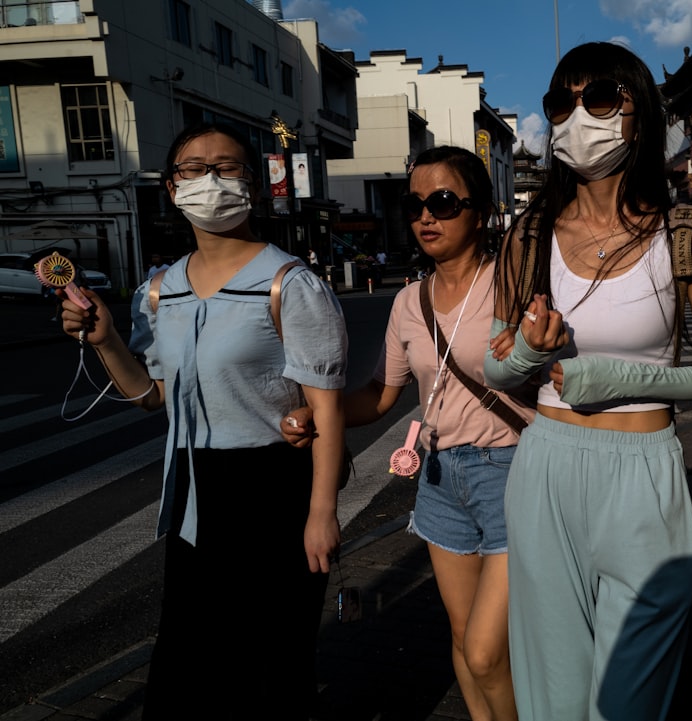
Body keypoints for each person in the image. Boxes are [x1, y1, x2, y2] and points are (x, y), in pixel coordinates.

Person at [483, 42, 692, 721]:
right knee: (556, 700)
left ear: (638, 114)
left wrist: (608, 375)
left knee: (626, 703)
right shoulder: (528, 234)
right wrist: (528, 353)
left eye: (598, 99)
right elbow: (496, 366)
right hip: (548, 469)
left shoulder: (688, 233)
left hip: (646, 475)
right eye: (560, 103)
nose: (576, 117)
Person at [58, 122, 348, 719]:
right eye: (194, 168)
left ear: (256, 184)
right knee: (190, 658)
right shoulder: (159, 291)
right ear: (171, 187)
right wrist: (107, 340)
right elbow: (153, 396)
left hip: (273, 487)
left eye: (227, 167)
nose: (210, 180)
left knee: (276, 658)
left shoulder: (289, 283)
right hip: (193, 484)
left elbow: (326, 408)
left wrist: (321, 514)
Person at [282, 145, 530, 721]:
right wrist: (320, 412)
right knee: (464, 639)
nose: (426, 217)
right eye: (414, 203)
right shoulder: (407, 302)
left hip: (514, 470)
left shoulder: (514, 284)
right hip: (440, 477)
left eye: (443, 202)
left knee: (490, 651)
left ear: (482, 210)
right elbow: (381, 395)